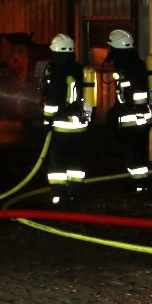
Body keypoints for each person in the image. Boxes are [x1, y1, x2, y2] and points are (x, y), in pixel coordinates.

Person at [39, 33, 90, 206]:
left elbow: (52, 100)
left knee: (58, 163)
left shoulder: (56, 71)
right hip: (80, 126)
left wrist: (46, 120)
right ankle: (75, 193)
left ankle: (58, 194)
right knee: (76, 161)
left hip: (61, 125)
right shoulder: (79, 69)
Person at [104, 28, 152, 193]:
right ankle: (138, 182)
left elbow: (138, 92)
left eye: (111, 48)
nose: (109, 51)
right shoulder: (129, 64)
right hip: (135, 118)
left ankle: (139, 185)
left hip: (135, 119)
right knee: (134, 153)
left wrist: (132, 109)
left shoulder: (130, 67)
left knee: (134, 153)